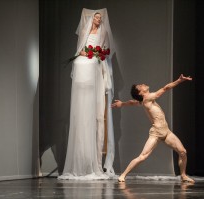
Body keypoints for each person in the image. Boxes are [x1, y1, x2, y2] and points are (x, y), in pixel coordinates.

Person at [58, 8, 116, 180]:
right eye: (96, 17)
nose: (98, 20)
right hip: (86, 61)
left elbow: (104, 48)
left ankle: (96, 163)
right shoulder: (84, 30)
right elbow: (80, 50)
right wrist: (86, 53)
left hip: (95, 62)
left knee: (96, 115)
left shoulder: (103, 31)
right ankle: (80, 163)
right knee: (83, 64)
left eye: (100, 17)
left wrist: (96, 54)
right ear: (91, 19)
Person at [111, 74, 195, 183]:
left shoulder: (144, 100)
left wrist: (122, 104)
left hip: (166, 132)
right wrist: (179, 81)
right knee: (143, 156)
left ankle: (183, 175)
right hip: (156, 133)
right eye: (140, 86)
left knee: (183, 152)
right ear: (140, 92)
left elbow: (134, 102)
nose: (143, 84)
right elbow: (165, 88)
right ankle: (123, 175)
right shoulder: (148, 98)